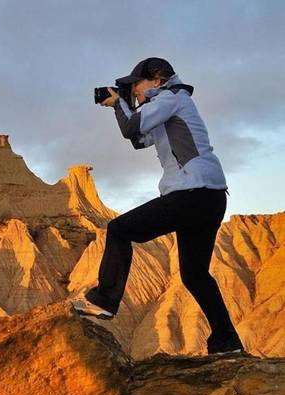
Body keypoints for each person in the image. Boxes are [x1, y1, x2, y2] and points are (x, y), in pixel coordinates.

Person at [70, 57, 245, 355]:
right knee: (195, 274)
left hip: (193, 191)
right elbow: (138, 138)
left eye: (134, 85)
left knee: (120, 229)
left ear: (156, 79)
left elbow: (131, 127)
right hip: (210, 196)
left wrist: (117, 104)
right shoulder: (167, 107)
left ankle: (103, 301)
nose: (133, 92)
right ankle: (227, 343)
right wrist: (120, 106)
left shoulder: (171, 98)